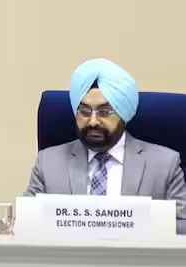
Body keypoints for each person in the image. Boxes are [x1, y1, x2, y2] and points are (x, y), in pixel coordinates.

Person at [24, 57, 186, 232]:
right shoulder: (48, 162)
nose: (93, 121)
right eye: (84, 111)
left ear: (123, 113)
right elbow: (27, 223)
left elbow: (182, 227)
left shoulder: (165, 164)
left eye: (105, 111)